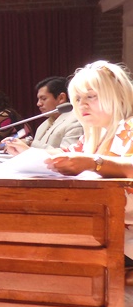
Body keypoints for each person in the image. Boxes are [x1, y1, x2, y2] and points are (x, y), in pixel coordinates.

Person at [42, 61, 133, 265]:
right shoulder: (94, 136)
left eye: (90, 96)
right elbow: (68, 156)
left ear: (117, 95)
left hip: (124, 240)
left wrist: (95, 163)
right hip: (97, 230)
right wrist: (29, 155)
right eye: (77, 98)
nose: (82, 104)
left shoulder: (130, 126)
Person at [5, 76, 82, 155]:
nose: (38, 104)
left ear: (61, 98)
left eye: (43, 99)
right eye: (38, 99)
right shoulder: (44, 125)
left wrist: (29, 143)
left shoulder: (76, 121)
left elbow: (68, 155)